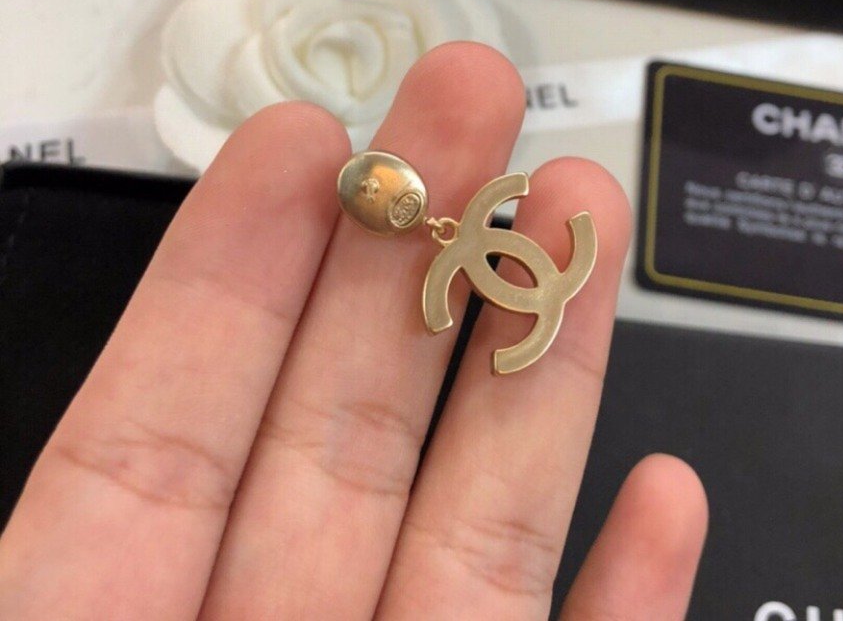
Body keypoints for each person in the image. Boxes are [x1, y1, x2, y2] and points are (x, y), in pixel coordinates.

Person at [0, 43, 707, 619]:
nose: (381, 198)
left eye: (383, 193)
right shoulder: (445, 251)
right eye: (377, 195)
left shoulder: (459, 244)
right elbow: (452, 290)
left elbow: (500, 244)